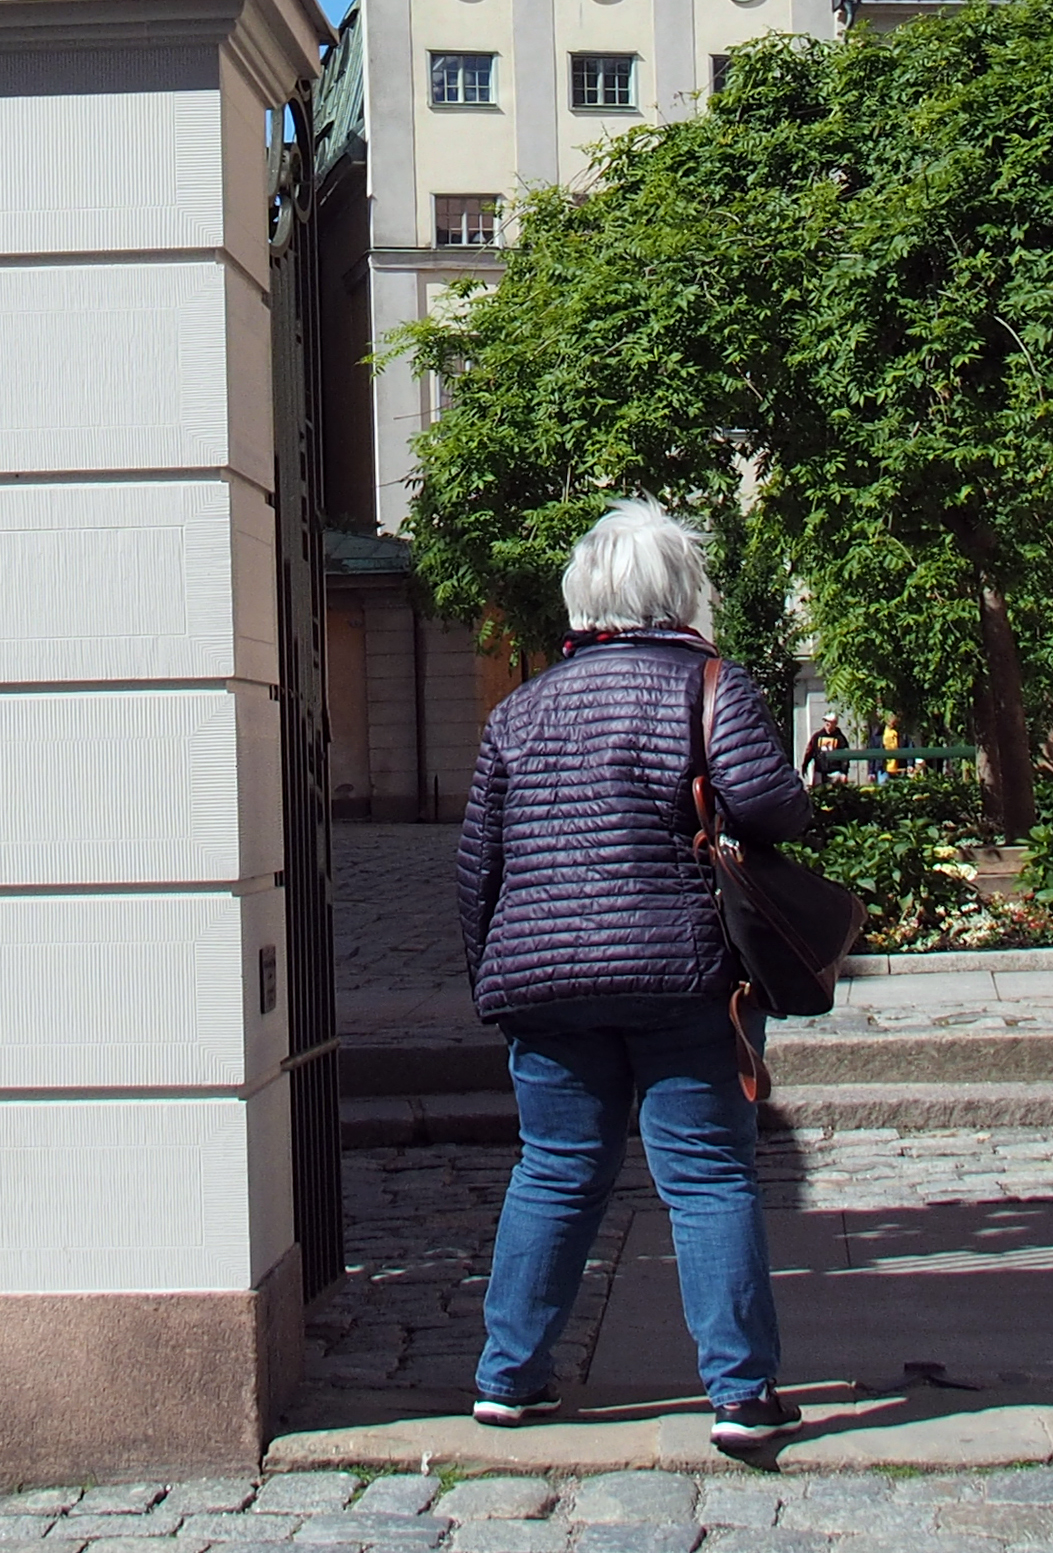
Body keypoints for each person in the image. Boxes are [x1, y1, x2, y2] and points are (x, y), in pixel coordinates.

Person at [454, 499, 812, 1453]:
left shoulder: (518, 708)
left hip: (544, 985)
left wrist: (497, 974)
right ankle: (739, 1396)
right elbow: (773, 811)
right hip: (678, 972)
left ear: (583, 598)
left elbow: (476, 868)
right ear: (681, 591)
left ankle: (508, 1380)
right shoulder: (706, 685)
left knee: (556, 1172)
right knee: (704, 1176)